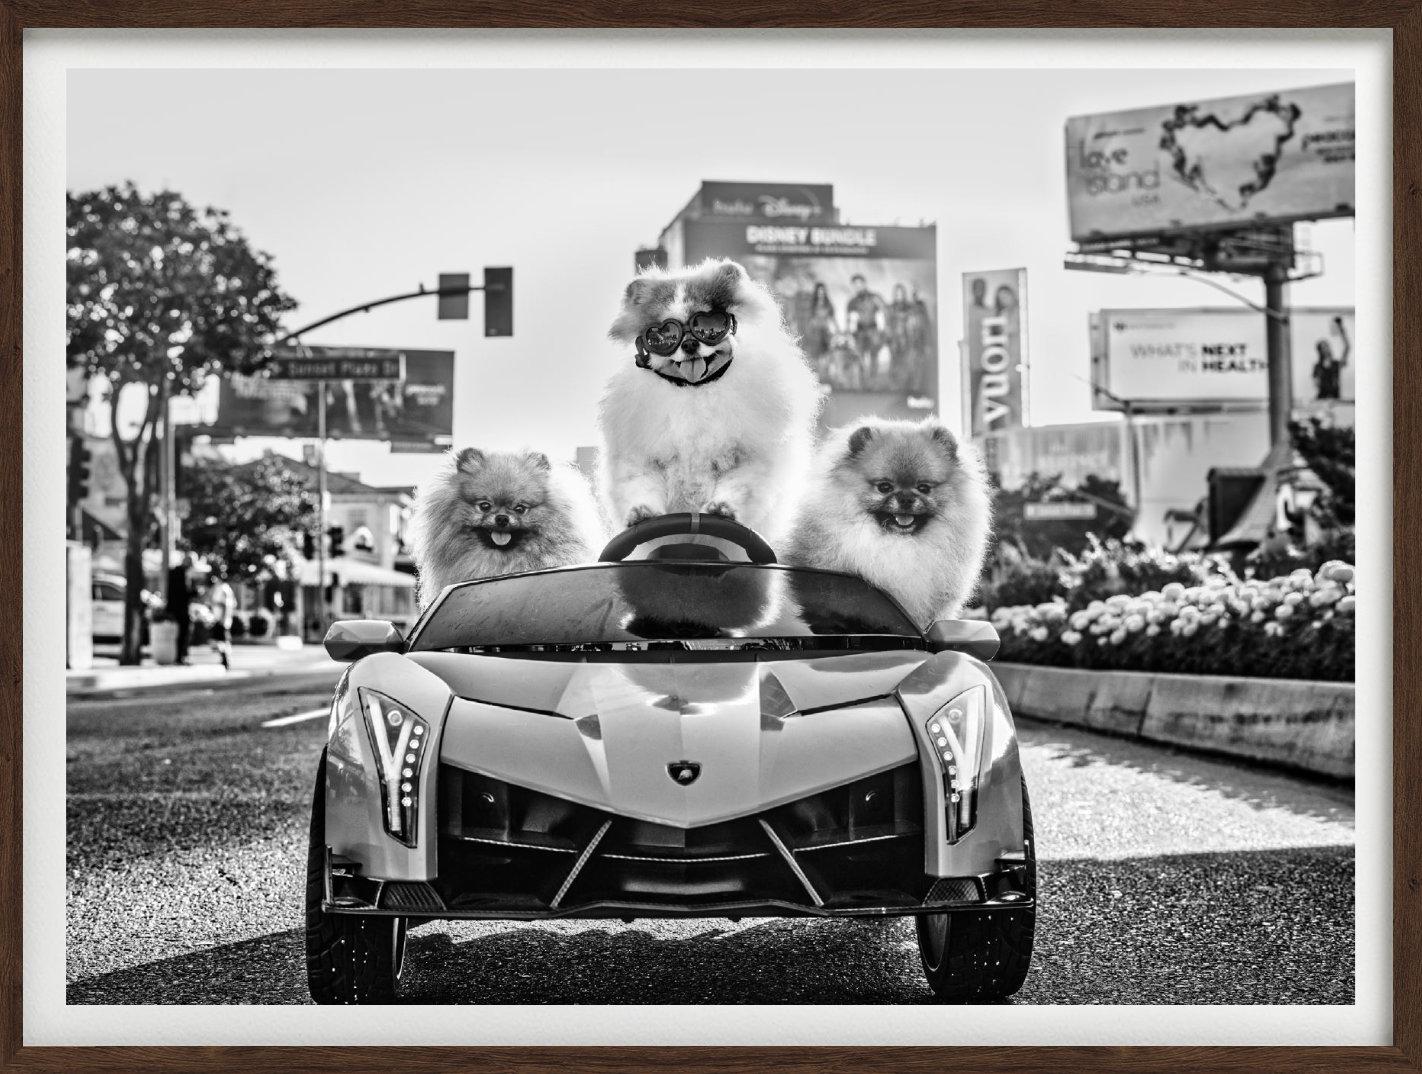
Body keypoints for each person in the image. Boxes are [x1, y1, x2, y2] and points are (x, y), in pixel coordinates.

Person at [845, 274, 887, 386]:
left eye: (860, 284)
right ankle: (863, 385)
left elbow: (883, 312)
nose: (858, 287)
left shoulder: (875, 298)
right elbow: (849, 320)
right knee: (860, 359)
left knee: (874, 357)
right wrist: (850, 334)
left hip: (873, 332)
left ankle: (873, 382)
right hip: (859, 333)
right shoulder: (852, 302)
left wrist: (882, 331)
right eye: (855, 285)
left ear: (864, 284)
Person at [1312, 315, 1350, 401]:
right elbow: (1316, 383)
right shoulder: (1317, 367)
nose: (1327, 349)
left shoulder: (1336, 364)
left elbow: (1347, 348)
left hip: (1335, 398)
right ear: (1320, 351)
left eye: (1327, 346)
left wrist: (1341, 331)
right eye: (1323, 347)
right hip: (1322, 399)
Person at [165, 550, 192, 665]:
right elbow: (182, 593)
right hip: (179, 609)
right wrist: (194, 593)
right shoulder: (179, 574)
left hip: (177, 609)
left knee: (182, 633)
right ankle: (179, 657)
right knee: (182, 633)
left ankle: (180, 656)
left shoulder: (176, 572)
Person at [207, 571, 236, 671]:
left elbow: (226, 605)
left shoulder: (224, 589)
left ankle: (226, 660)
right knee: (219, 640)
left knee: (223, 640)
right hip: (218, 618)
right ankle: (224, 659)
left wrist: (222, 619)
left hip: (222, 620)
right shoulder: (219, 588)